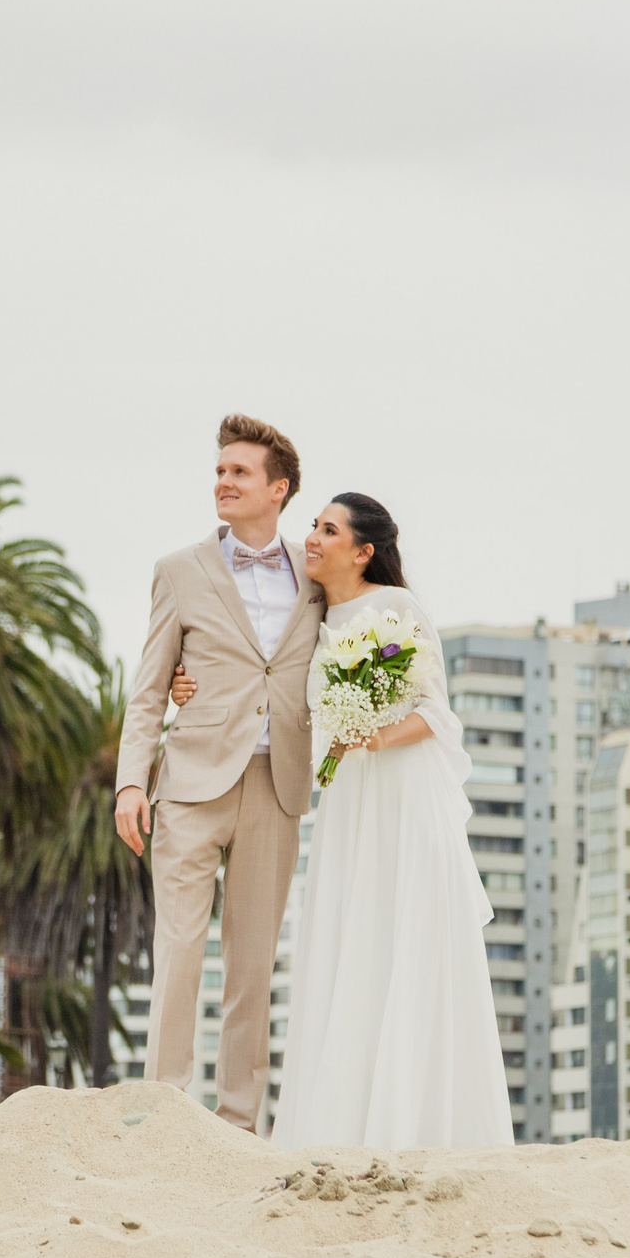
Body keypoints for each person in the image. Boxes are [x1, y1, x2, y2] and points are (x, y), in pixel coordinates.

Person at [244, 492, 513, 1150]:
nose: (312, 536)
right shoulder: (309, 615)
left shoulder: (397, 609)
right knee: (348, 941)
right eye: (313, 525)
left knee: (402, 940)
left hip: (400, 796)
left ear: (363, 550)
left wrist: (368, 734)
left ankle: (410, 1125)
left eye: (328, 529)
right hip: (347, 804)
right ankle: (338, 1124)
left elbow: (435, 715)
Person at [113, 413, 323, 1132]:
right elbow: (148, 686)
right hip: (192, 783)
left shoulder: (317, 576)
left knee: (253, 965)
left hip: (278, 784)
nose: (222, 482)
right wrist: (131, 781)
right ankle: (165, 1105)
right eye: (219, 471)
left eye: (239, 472)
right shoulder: (179, 569)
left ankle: (238, 1123)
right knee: (178, 946)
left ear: (278, 488)